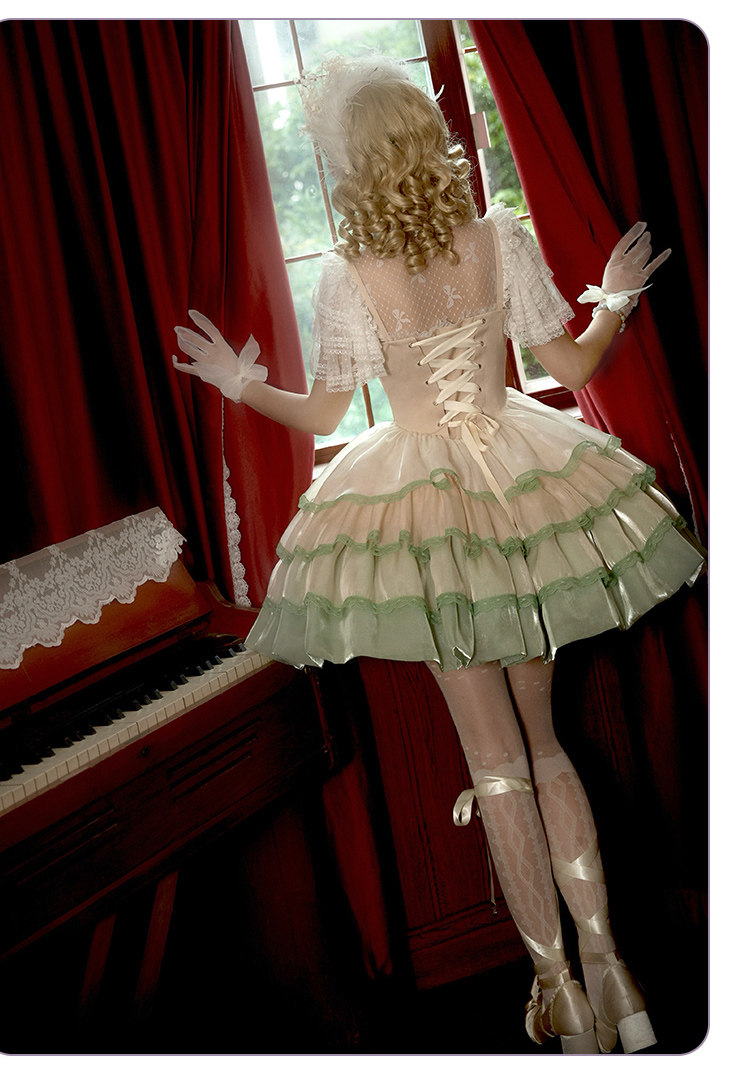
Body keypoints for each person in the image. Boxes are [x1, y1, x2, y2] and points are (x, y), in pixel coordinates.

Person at [173, 54, 705, 1055]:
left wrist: (238, 383)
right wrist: (616, 301)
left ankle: (561, 995)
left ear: (354, 165)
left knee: (496, 765)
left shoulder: (348, 276)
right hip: (520, 495)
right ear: (428, 139)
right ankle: (616, 978)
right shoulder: (499, 239)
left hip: (428, 517)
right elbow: (571, 362)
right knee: (546, 748)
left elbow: (325, 415)